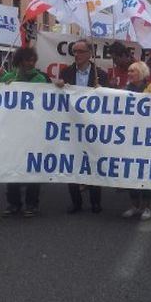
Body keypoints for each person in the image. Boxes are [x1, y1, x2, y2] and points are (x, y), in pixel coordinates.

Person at [55, 39, 108, 214]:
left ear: (89, 54)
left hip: (92, 125)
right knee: (72, 162)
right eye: (74, 51)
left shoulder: (100, 74)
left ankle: (95, 201)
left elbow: (109, 100)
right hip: (71, 124)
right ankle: (76, 202)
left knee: (93, 161)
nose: (76, 54)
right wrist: (59, 87)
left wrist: (102, 91)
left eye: (80, 51)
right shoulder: (66, 72)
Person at [0, 47, 50, 218]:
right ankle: (13, 203)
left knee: (32, 168)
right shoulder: (8, 78)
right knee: (12, 167)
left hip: (33, 131)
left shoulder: (41, 79)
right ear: (19, 61)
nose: (31, 63)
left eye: (33, 60)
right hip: (13, 131)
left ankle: (32, 203)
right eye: (27, 60)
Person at [121, 61, 151, 221]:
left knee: (144, 172)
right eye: (128, 71)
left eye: (133, 71)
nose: (129, 73)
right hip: (129, 137)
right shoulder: (123, 91)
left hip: (145, 139)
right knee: (130, 171)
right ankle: (134, 205)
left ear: (141, 74)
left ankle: (147, 207)